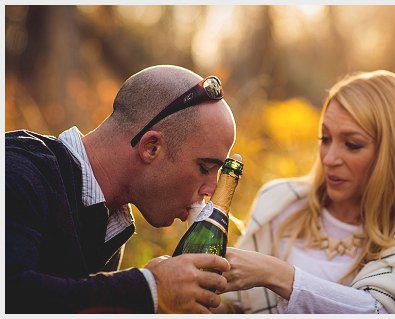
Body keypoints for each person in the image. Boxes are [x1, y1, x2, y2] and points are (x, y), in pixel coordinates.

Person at [6, 65, 237, 313]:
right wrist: (151, 289)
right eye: (204, 167)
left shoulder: (109, 220)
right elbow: (11, 292)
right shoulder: (16, 171)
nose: (211, 190)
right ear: (151, 147)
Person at [217, 70, 395, 314]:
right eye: (325, 138)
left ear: (393, 153)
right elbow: (237, 304)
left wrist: (278, 275)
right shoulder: (279, 200)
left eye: (352, 144)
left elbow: (379, 310)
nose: (329, 158)